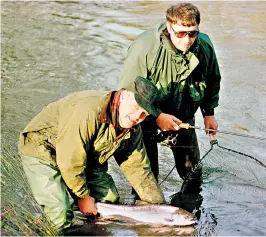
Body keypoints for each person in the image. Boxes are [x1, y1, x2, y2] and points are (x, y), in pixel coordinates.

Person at [18, 76, 166, 233]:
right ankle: (57, 226)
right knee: (59, 214)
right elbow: (70, 161)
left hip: (83, 157)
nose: (138, 117)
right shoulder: (87, 110)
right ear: (123, 95)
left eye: (144, 114)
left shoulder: (132, 127)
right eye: (136, 107)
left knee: (110, 200)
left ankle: (84, 227)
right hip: (43, 148)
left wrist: (158, 208)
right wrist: (83, 197)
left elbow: (139, 169)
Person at [118, 3, 221, 212]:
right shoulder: (144, 47)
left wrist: (209, 113)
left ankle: (188, 215)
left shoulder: (205, 46)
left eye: (192, 34)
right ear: (169, 26)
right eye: (181, 33)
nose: (187, 40)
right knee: (148, 180)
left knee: (193, 174)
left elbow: (212, 80)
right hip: (144, 117)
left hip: (182, 117)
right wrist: (156, 116)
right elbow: (128, 95)